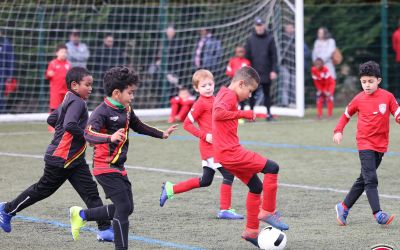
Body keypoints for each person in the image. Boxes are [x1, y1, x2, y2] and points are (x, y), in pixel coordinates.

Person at [68, 66, 178, 250]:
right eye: (131, 93)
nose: (132, 97)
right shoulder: (101, 112)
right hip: (104, 167)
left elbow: (138, 125)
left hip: (118, 166)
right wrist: (109, 137)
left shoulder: (126, 109)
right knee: (123, 208)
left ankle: (82, 215)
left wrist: (162, 134)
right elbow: (88, 134)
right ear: (117, 93)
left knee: (127, 208)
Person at [0, 67, 114, 241]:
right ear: (74, 85)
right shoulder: (78, 102)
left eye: (92, 85)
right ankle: (7, 210)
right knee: (42, 190)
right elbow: (69, 124)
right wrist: (88, 136)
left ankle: (105, 229)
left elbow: (52, 119)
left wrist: (65, 136)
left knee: (90, 192)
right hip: (61, 159)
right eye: (88, 85)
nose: (91, 89)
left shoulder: (69, 98)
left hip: (74, 160)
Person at [212, 66, 288, 247]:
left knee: (255, 186)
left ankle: (251, 231)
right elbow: (218, 114)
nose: (249, 95)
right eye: (250, 90)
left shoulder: (224, 93)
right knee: (272, 168)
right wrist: (243, 113)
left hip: (225, 153)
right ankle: (268, 211)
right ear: (241, 83)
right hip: (231, 153)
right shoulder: (229, 96)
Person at [159, 69, 243, 220]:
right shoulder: (200, 104)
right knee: (229, 173)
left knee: (206, 181)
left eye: (210, 84)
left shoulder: (217, 99)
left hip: (219, 145)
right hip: (209, 147)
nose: (208, 87)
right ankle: (225, 210)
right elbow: (187, 124)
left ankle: (171, 189)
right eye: (204, 86)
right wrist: (205, 135)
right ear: (197, 89)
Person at [333, 61, 398, 226]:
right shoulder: (358, 99)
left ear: (379, 80)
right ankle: (378, 214)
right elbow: (346, 115)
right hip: (364, 144)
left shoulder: (387, 97)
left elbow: (397, 114)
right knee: (371, 179)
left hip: (380, 146)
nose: (367, 85)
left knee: (363, 179)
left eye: (370, 81)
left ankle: (344, 206)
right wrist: (338, 130)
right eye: (364, 82)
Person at [245, 17, 277, 121]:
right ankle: (251, 115)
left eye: (261, 25)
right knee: (251, 94)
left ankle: (269, 114)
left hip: (266, 71)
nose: (259, 27)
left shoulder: (270, 38)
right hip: (254, 72)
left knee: (267, 94)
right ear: (255, 26)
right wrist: (248, 71)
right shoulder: (250, 39)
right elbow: (247, 57)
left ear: (264, 25)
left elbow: (274, 56)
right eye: (257, 25)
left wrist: (273, 70)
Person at [91, 34, 125, 102]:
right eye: (108, 41)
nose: (110, 43)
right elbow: (95, 63)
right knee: (103, 96)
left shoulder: (117, 51)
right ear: (105, 40)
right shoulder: (99, 51)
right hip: (103, 77)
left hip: (115, 77)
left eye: (111, 41)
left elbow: (121, 63)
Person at [46, 44, 71, 112]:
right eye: (62, 52)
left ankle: (64, 122)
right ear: (57, 53)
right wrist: (49, 74)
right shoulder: (53, 63)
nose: (63, 54)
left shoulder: (68, 64)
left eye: (65, 52)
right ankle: (52, 122)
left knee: (66, 109)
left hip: (66, 91)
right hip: (56, 91)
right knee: (54, 109)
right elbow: (48, 75)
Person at [226, 45, 251, 110]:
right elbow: (228, 71)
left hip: (242, 83)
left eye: (242, 51)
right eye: (239, 51)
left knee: (242, 99)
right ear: (236, 52)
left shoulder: (247, 62)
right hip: (233, 82)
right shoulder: (232, 61)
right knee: (232, 98)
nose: (241, 53)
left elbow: (248, 73)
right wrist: (235, 74)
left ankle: (241, 114)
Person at [280, 23, 296, 107]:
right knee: (285, 83)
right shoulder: (282, 38)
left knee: (294, 84)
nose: (290, 29)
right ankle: (285, 103)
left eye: (291, 27)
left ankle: (294, 102)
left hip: (295, 65)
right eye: (288, 27)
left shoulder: (297, 38)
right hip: (285, 64)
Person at [0, 29, 14, 113]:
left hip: (2, 72)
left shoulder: (6, 44)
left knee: (1, 93)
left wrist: (10, 75)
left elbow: (10, 59)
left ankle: (2, 112)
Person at [392, 19, 400, 97]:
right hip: (399, 60)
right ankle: (398, 98)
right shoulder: (396, 34)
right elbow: (395, 47)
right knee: (398, 80)